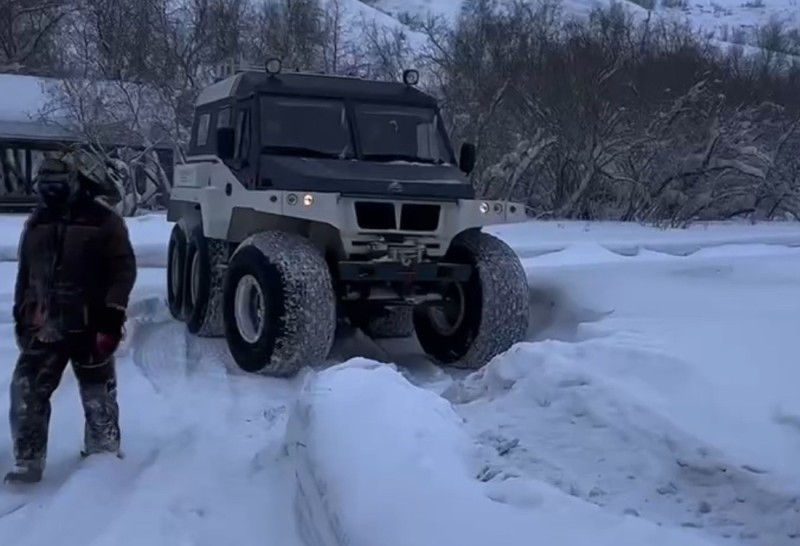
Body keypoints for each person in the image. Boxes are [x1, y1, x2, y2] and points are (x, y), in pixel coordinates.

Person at [5, 150, 137, 484]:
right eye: (45, 184)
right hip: (43, 326)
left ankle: (104, 459)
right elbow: (26, 272)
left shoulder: (103, 221)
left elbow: (123, 270)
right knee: (26, 391)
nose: (50, 190)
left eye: (58, 183)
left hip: (92, 324)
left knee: (98, 396)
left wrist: (112, 314)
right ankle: (28, 461)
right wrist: (21, 313)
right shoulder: (37, 222)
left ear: (74, 182)